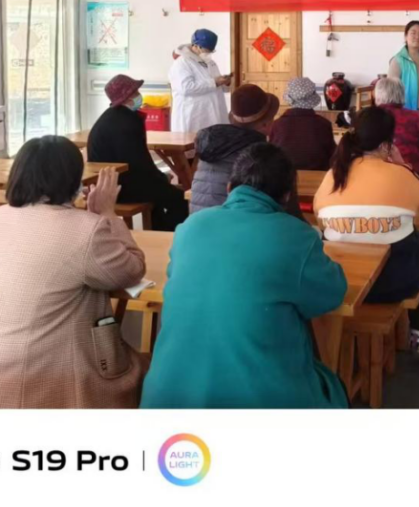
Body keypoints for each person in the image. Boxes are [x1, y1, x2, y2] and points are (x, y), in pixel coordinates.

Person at [0, 137, 146, 409]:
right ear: (72, 179)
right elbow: (132, 270)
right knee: (144, 369)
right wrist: (107, 213)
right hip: (40, 387)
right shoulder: (86, 229)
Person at [142, 143, 348, 409]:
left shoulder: (190, 226)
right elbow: (332, 295)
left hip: (166, 398)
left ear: (229, 188)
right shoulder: (296, 236)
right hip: (258, 401)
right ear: (286, 196)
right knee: (331, 385)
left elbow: (177, 277)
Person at [313, 106, 419, 355]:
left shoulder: (334, 174)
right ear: (385, 145)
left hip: (341, 282)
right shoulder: (399, 174)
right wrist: (403, 165)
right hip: (395, 282)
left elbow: (319, 214)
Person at [86, 74, 188, 231]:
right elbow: (139, 163)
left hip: (111, 183)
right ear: (126, 98)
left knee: (161, 195)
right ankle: (167, 237)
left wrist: (159, 178)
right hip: (120, 188)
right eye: (135, 93)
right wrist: (161, 178)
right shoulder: (125, 122)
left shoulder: (114, 117)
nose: (139, 96)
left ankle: (157, 232)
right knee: (181, 199)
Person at [190, 83, 301, 219]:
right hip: (236, 227)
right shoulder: (265, 158)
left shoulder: (211, 146)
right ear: (265, 124)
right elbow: (291, 214)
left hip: (198, 223)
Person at [373, 76, 419, 260]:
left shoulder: (367, 118)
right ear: (401, 95)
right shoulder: (414, 118)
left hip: (373, 182)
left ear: (377, 96)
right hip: (413, 180)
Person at [169, 29, 231, 133]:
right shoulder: (182, 63)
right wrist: (214, 82)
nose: (209, 53)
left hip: (213, 114)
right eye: (207, 50)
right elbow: (186, 88)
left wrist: (225, 83)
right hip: (193, 115)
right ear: (197, 46)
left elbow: (217, 85)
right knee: (193, 141)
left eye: (211, 51)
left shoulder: (210, 62)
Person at [269, 76, 336, 171]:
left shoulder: (276, 125)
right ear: (312, 100)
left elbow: (271, 155)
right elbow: (332, 156)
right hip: (318, 176)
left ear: (290, 99)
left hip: (284, 176)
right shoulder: (324, 124)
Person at [387, 20, 419, 121]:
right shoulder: (398, 60)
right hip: (405, 112)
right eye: (413, 33)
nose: (417, 37)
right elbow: (390, 91)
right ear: (405, 36)